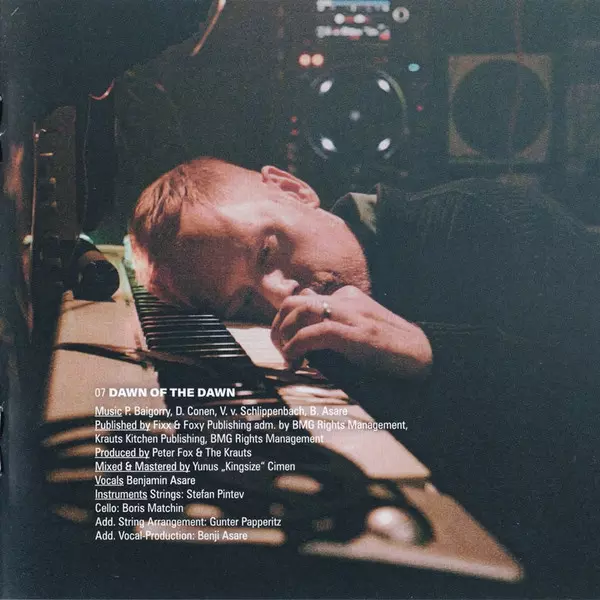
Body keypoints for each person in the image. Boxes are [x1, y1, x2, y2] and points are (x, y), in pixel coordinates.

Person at [130, 157, 600, 595]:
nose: (278, 295)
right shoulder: (303, 321)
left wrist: (428, 349)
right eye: (244, 301)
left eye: (267, 252)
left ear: (292, 189)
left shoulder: (487, 219)